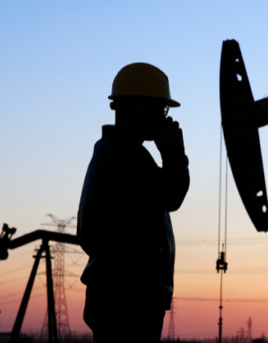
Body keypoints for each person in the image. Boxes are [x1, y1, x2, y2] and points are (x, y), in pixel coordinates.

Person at [77, 62, 190, 343]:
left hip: (124, 298)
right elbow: (172, 194)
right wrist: (174, 151)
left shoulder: (120, 153)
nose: (163, 118)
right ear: (140, 107)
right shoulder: (125, 155)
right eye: (160, 109)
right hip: (127, 301)